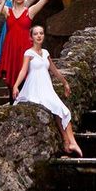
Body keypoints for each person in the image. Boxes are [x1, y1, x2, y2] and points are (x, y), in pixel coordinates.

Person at [13, 23, 82, 156]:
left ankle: (67, 142)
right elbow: (23, 70)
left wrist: (65, 83)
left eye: (41, 33)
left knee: (60, 111)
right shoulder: (29, 53)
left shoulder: (45, 53)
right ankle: (72, 142)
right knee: (61, 110)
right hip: (34, 88)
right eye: (36, 34)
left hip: (47, 87)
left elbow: (54, 70)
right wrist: (16, 85)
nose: (39, 36)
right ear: (31, 37)